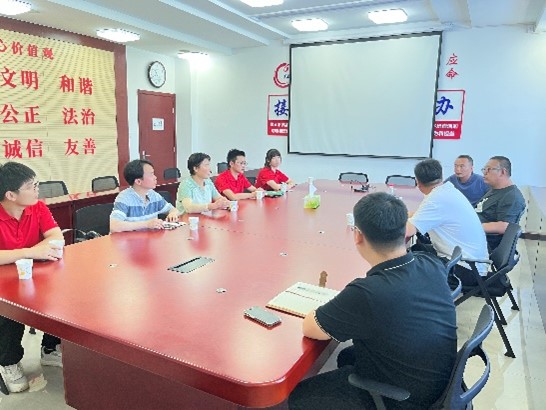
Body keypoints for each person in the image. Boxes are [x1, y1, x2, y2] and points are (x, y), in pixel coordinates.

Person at [288, 192, 457, 409]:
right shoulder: (431, 263)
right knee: (347, 357)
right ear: (404, 230)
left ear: (358, 235)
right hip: (438, 384)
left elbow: (312, 328)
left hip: (406, 400)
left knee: (296, 397)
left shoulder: (367, 293)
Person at [0, 162, 65, 393]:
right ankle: (8, 362)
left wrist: (28, 253)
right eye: (32, 186)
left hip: (32, 273)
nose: (38, 190)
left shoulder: (37, 207)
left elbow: (57, 238)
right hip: (3, 280)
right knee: (10, 310)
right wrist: (30, 252)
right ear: (11, 195)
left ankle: (50, 347)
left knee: (60, 295)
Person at [407, 159, 489, 286]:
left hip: (465, 269)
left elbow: (407, 231)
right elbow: (420, 215)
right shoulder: (446, 190)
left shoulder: (436, 199)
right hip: (472, 263)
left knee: (403, 263)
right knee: (415, 249)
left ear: (418, 182)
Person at [110, 159, 179, 233]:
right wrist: (146, 224)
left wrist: (173, 214)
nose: (155, 177)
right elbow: (114, 227)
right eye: (151, 174)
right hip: (131, 239)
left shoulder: (153, 195)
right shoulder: (124, 198)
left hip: (150, 237)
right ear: (138, 181)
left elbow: (173, 209)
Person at [476, 155, 526, 251]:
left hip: (485, 245)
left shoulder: (512, 196)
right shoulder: (494, 189)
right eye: (484, 169)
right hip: (476, 237)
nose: (484, 173)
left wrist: (472, 226)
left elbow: (505, 226)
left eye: (489, 169)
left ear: (503, 172)